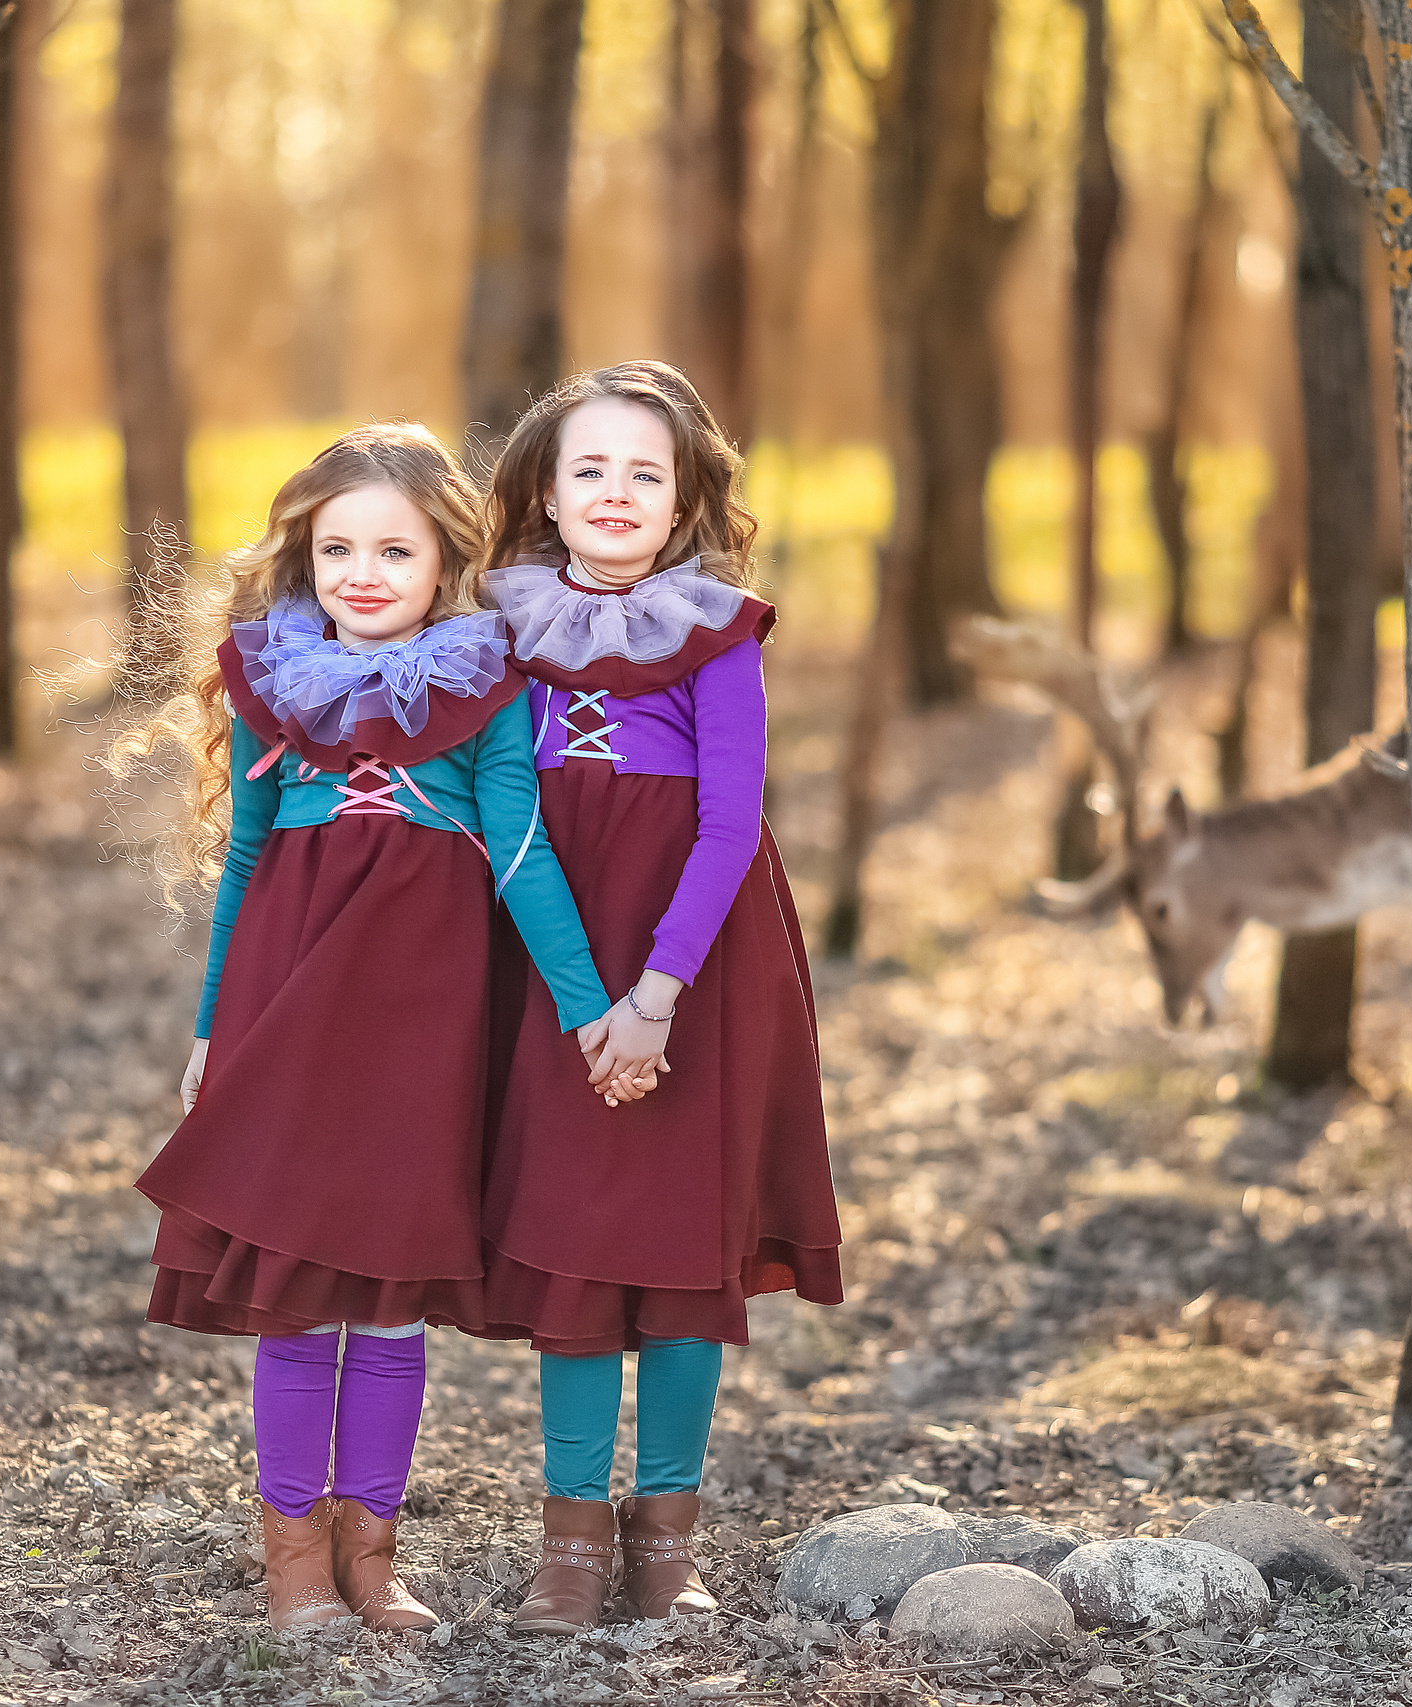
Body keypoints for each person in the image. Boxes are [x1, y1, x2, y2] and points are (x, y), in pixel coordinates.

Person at [121, 424, 645, 1632]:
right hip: (290, 1009)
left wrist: (589, 1014)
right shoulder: (273, 679)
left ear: (446, 562)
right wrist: (212, 1027)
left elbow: (519, 852)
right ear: (305, 557)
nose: (363, 572)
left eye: (393, 551)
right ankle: (296, 1566)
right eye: (337, 547)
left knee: (393, 1301)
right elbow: (245, 859)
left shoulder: (482, 683)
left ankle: (374, 1558)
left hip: (426, 1023)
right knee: (299, 1293)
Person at [473, 362, 844, 1633]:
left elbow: (731, 819)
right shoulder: (497, 632)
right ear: (545, 491)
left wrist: (657, 997)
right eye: (591, 469)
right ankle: (571, 1545)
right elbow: (503, 820)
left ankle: (666, 1541)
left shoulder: (714, 630)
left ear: (685, 497)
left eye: (647, 471)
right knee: (579, 1244)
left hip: (700, 961)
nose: (618, 492)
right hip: (554, 971)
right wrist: (588, 1005)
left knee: (687, 1251)